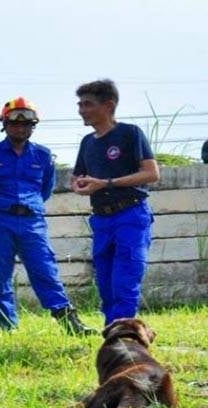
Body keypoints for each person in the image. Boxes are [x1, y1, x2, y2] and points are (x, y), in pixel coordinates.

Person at [0, 97, 97, 335]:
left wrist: (31, 208)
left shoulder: (43, 155)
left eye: (26, 124)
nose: (20, 128)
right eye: (14, 124)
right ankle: (8, 327)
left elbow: (46, 189)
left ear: (33, 126)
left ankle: (70, 323)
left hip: (32, 223)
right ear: (5, 125)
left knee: (45, 269)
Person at [71, 79, 160, 325]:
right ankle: (113, 332)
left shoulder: (129, 134)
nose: (81, 110)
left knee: (125, 280)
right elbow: (79, 175)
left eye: (88, 104)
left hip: (130, 215)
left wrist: (107, 183)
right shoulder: (87, 142)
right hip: (101, 219)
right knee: (106, 283)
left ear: (108, 105)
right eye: (80, 104)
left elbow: (151, 173)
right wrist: (79, 184)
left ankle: (123, 337)